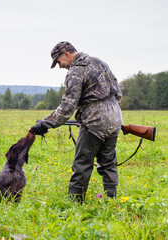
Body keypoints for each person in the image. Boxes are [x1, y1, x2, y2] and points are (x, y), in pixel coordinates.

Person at [29, 41, 123, 203]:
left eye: (58, 61)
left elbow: (67, 107)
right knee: (108, 163)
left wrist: (45, 124)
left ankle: (74, 204)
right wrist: (103, 114)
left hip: (94, 122)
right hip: (115, 118)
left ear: (66, 53)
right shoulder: (100, 62)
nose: (59, 66)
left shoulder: (76, 71)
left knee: (82, 164)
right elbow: (118, 93)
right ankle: (112, 200)